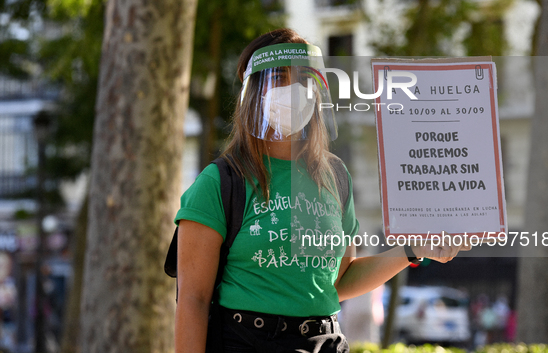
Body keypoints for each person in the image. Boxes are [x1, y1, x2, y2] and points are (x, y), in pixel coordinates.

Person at [174, 28, 470, 353]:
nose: (293, 90)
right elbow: (193, 301)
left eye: (303, 79)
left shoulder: (335, 177)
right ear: (254, 94)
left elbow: (340, 282)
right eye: (280, 78)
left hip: (325, 341)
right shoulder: (221, 181)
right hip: (247, 341)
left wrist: (413, 249)